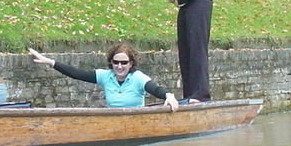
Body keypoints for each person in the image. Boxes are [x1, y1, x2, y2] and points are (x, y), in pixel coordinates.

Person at [29, 44, 179, 111]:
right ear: (111, 63)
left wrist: (169, 95)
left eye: (124, 63)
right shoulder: (105, 76)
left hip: (135, 118)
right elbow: (76, 73)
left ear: (131, 63)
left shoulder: (138, 78)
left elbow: (155, 89)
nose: (119, 66)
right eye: (116, 62)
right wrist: (50, 62)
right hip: (113, 120)